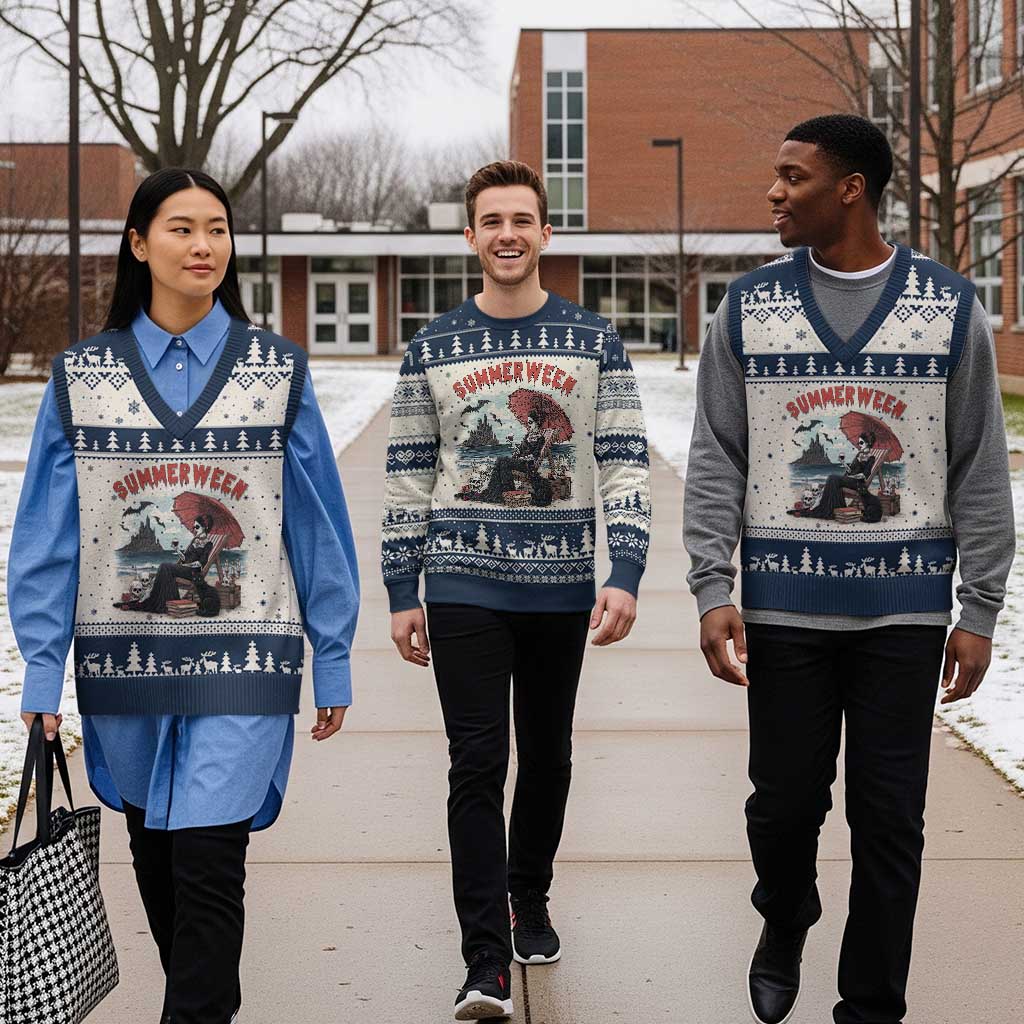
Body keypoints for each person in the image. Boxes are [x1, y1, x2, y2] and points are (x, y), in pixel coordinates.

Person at [684, 114, 1014, 1024]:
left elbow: (980, 464)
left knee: (890, 824)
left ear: (851, 188)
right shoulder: (749, 307)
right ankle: (784, 913)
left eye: (793, 176)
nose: (774, 192)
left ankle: (871, 1005)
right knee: (782, 810)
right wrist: (714, 585)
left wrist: (979, 607)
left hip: (904, 619)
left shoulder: (947, 307)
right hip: (785, 611)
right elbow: (717, 452)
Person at [11, 167, 359, 1024]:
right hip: (121, 666)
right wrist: (43, 675)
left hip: (247, 661)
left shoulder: (277, 372)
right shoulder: (81, 378)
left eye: (217, 228)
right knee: (159, 862)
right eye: (181, 228)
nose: (203, 246)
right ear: (138, 244)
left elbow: (316, 525)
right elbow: (47, 540)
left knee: (210, 865)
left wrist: (335, 655)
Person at [381, 160, 652, 1021]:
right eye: (491, 220)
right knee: (477, 761)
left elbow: (623, 461)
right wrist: (401, 586)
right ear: (470, 236)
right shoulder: (432, 347)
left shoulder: (593, 340)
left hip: (561, 587)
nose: (507, 234)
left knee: (549, 753)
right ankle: (484, 961)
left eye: (522, 220)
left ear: (545, 233)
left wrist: (627, 569)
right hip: (461, 581)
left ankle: (527, 895)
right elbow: (407, 477)